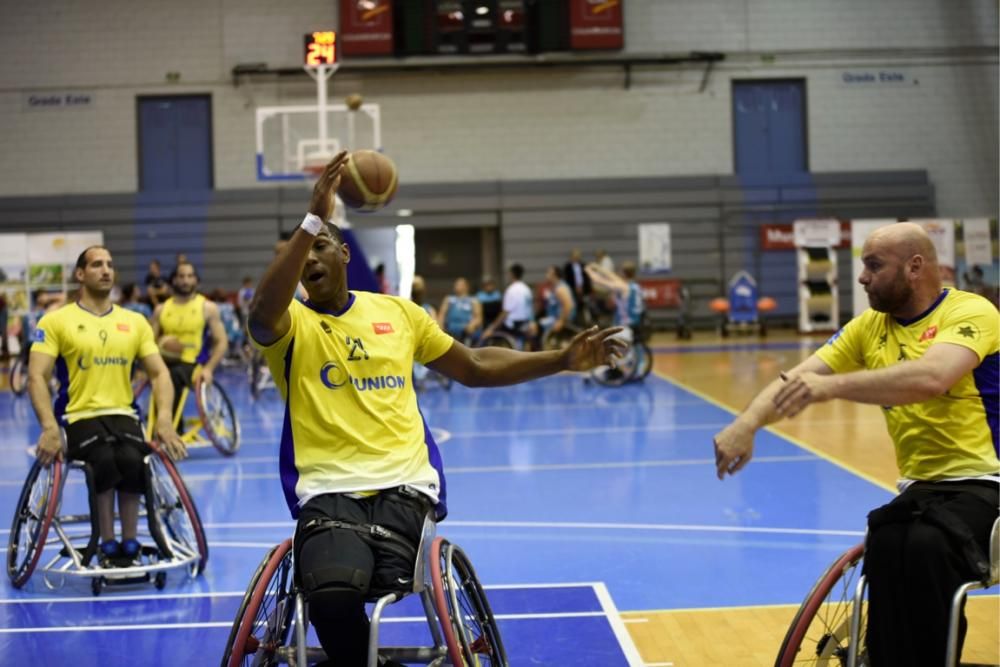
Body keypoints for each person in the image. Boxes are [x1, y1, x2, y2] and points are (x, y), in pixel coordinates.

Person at [246, 152, 625, 667]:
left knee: (379, 582)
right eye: (299, 252)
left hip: (404, 485)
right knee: (332, 598)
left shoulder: (398, 313)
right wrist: (311, 218)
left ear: (344, 255)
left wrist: (559, 358)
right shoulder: (289, 326)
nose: (308, 258)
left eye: (319, 246)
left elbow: (473, 365)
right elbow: (262, 310)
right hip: (328, 490)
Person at [712, 223, 998, 667]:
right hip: (923, 488)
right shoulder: (869, 328)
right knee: (885, 537)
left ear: (915, 266)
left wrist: (832, 388)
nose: (862, 277)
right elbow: (799, 378)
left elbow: (931, 377)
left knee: (927, 547)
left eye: (873, 265)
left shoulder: (970, 312)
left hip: (987, 482)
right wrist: (747, 422)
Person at [27, 246, 185, 567]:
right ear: (80, 274)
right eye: (97, 264)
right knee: (103, 460)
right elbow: (36, 376)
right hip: (77, 415)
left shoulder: (134, 321)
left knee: (133, 459)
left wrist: (165, 420)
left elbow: (159, 373)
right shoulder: (56, 321)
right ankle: (106, 541)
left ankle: (130, 541)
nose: (106, 270)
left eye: (110, 264)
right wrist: (48, 428)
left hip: (123, 414)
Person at [150, 262, 228, 416]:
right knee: (162, 374)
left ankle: (171, 428)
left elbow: (221, 342)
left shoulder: (207, 308)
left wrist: (209, 368)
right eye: (181, 276)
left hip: (195, 363)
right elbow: (149, 343)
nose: (185, 281)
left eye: (190, 276)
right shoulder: (161, 309)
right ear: (174, 280)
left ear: (196, 281)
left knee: (172, 375)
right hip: (165, 362)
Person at [481, 263, 538, 347]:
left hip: (514, 326)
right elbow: (530, 309)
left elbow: (505, 313)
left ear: (511, 274)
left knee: (488, 334)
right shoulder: (527, 289)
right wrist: (533, 322)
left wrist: (491, 328)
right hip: (525, 323)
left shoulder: (511, 290)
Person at [437, 277, 482, 343]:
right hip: (450, 329)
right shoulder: (449, 299)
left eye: (459, 284)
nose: (456, 286)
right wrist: (440, 327)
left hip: (466, 329)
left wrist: (472, 325)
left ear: (466, 287)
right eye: (456, 284)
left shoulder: (474, 300)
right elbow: (442, 315)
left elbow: (478, 318)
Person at [538, 266, 575, 337]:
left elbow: (569, 305)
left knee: (535, 327)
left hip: (559, 320)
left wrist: (561, 321)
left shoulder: (560, 289)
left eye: (548, 273)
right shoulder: (555, 287)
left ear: (554, 275)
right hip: (553, 317)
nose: (546, 275)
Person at [563, 248, 592, 325]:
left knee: (584, 306)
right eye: (574, 256)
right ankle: (574, 321)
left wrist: (586, 288)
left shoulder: (583, 265)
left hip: (583, 289)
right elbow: (566, 279)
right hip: (572, 289)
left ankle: (585, 322)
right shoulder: (568, 266)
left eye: (577, 256)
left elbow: (587, 278)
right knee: (574, 306)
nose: (576, 258)